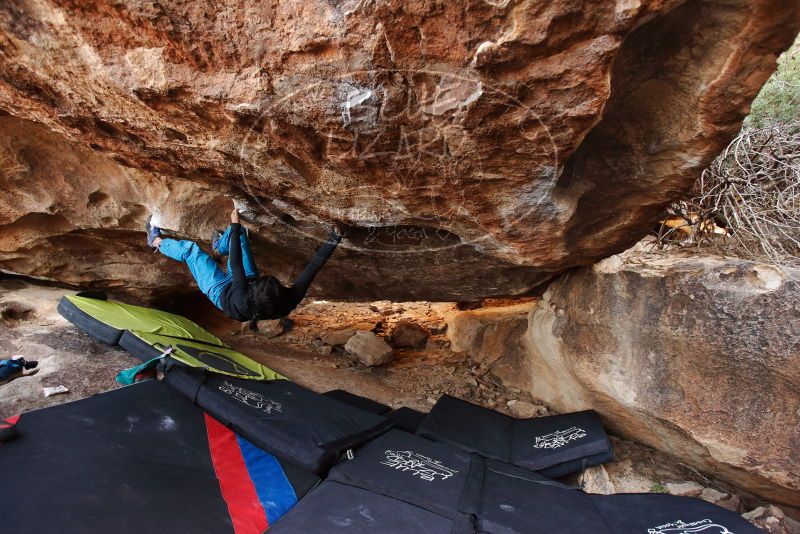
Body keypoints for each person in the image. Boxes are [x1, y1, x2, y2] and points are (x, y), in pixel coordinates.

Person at [146, 203, 342, 331]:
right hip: (246, 283)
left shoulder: (241, 296)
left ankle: (155, 240)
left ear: (254, 290)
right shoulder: (288, 299)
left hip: (219, 291)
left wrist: (235, 223)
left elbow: (236, 263)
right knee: (239, 237)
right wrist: (335, 237)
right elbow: (314, 268)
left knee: (192, 251)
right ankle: (218, 247)